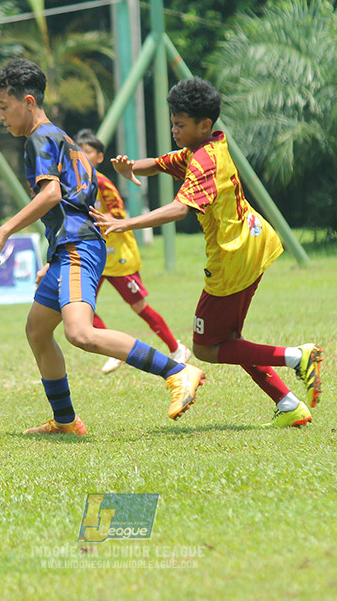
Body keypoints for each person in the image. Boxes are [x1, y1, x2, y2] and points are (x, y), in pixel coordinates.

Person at [0, 58, 205, 435]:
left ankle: (178, 370)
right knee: (37, 330)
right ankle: (65, 420)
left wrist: (4, 230)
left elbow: (51, 194)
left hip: (76, 246)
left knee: (80, 333)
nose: (1, 117)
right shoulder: (62, 139)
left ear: (29, 101)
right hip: (70, 247)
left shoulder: (39, 139)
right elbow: (75, 198)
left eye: (4, 107)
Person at [90, 77, 323, 429]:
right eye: (173, 122)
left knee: (205, 348)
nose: (173, 130)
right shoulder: (208, 146)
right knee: (230, 339)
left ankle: (296, 356)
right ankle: (288, 403)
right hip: (253, 242)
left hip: (232, 258)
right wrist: (130, 167)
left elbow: (179, 209)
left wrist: (126, 223)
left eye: (179, 125)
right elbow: (162, 163)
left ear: (204, 125)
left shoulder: (204, 163)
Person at [74, 128, 191, 375]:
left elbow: (119, 215)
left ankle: (175, 347)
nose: (83, 156)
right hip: (95, 256)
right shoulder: (78, 183)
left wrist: (103, 218)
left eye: (88, 152)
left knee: (139, 307)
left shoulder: (102, 183)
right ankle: (113, 351)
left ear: (99, 157)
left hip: (118, 256)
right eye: (79, 152)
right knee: (80, 307)